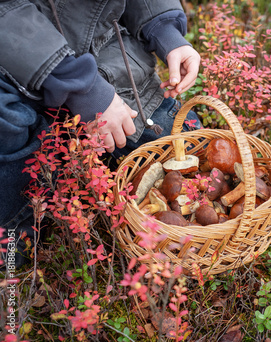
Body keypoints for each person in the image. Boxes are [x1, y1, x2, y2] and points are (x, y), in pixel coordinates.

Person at [0, 0, 201, 267]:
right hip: (14, 74)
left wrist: (165, 30)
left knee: (193, 151)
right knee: (8, 129)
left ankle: (74, 165)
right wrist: (84, 90)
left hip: (106, 57)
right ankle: (13, 233)